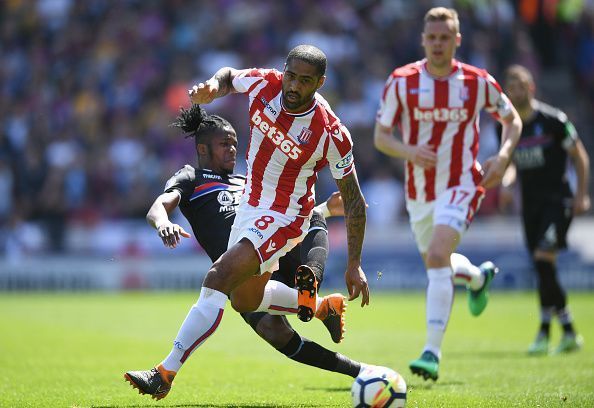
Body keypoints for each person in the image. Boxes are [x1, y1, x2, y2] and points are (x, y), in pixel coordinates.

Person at [125, 44, 369, 399]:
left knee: (218, 278)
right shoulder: (264, 84)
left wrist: (355, 264)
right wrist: (212, 87)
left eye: (305, 81)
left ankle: (164, 372)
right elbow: (228, 76)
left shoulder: (330, 132)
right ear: (283, 71)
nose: (293, 86)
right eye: (291, 76)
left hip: (286, 214)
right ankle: (321, 306)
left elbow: (355, 201)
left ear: (320, 82)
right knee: (244, 301)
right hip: (251, 207)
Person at [374, 7, 522, 381]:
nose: (438, 44)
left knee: (438, 255)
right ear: (423, 40)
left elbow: (512, 119)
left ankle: (431, 353)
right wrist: (410, 151)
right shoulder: (401, 82)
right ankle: (475, 277)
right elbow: (381, 137)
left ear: (457, 40)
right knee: (437, 263)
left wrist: (503, 157)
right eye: (432, 37)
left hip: (462, 181)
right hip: (419, 190)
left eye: (445, 37)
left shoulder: (477, 82)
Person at [500, 65, 590, 355]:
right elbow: (511, 163)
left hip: (558, 200)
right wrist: (506, 183)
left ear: (531, 87)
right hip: (531, 205)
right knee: (543, 267)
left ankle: (544, 331)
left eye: (521, 85)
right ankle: (566, 332)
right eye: (511, 86)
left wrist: (580, 196)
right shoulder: (508, 127)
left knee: (542, 258)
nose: (516, 90)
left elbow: (580, 156)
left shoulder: (554, 120)